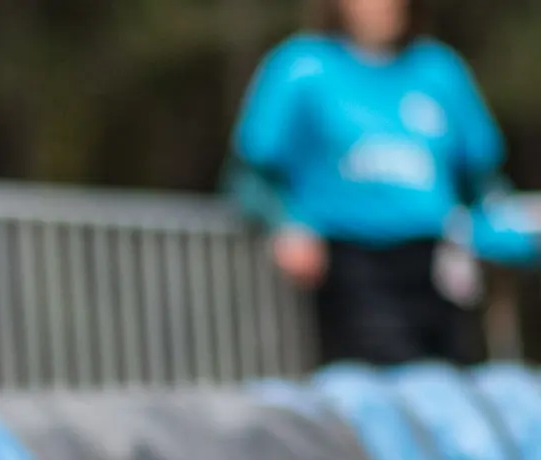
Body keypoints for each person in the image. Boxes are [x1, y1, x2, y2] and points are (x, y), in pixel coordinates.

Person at [229, 0, 538, 366]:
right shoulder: (302, 66)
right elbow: (251, 172)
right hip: (351, 261)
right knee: (382, 383)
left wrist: (511, 223)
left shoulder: (438, 70)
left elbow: (482, 179)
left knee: (451, 380)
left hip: (438, 260)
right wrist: (286, 223)